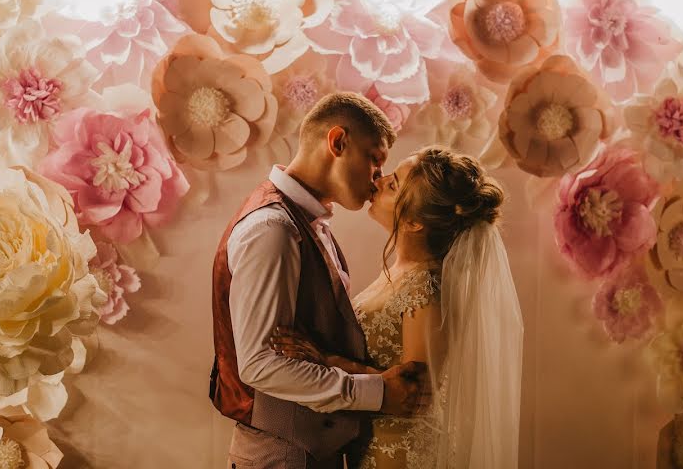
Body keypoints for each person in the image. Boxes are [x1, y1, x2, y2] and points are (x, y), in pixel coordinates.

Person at [211, 92, 430, 469]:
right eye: (374, 160)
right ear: (338, 142)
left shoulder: (306, 222)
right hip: (282, 457)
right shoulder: (273, 228)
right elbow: (260, 364)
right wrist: (377, 392)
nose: (377, 179)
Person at [271, 146, 524, 468]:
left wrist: (324, 360)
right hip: (372, 444)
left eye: (393, 184)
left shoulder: (425, 288)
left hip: (400, 453)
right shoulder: (401, 274)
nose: (378, 180)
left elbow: (413, 394)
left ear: (416, 222)